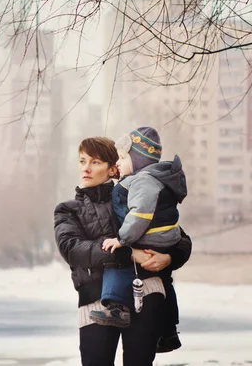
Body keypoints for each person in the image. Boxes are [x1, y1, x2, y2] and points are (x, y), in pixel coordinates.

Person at [54, 136, 192, 366]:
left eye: (95, 162)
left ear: (112, 169)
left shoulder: (133, 194)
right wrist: (128, 254)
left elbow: (179, 237)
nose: (86, 168)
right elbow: (72, 249)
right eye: (82, 161)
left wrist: (168, 258)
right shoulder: (69, 210)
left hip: (145, 294)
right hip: (95, 302)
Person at [89, 127, 186, 354]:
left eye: (122, 158)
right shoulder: (149, 178)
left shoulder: (144, 181)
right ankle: (169, 329)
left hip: (151, 236)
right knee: (165, 280)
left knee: (117, 260)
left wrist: (123, 239)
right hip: (165, 236)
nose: (118, 164)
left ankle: (115, 306)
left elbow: (140, 214)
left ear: (137, 159)